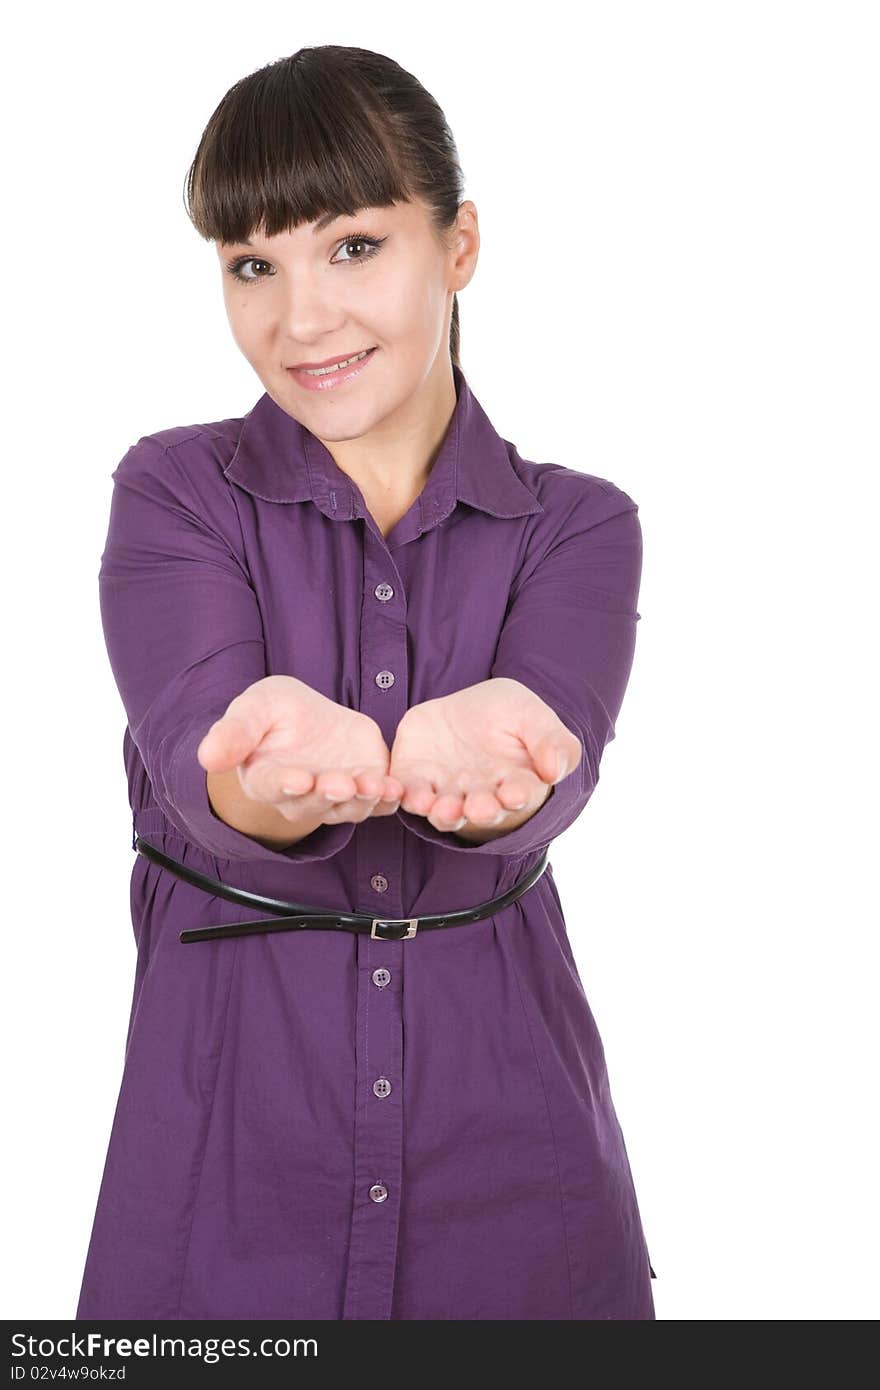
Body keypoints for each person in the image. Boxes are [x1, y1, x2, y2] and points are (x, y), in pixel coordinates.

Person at [76, 43, 656, 1321]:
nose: (299, 321)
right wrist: (267, 777)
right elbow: (202, 768)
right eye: (251, 266)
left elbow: (545, 777)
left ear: (457, 247)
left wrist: (505, 769)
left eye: (351, 246)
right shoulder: (175, 493)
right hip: (219, 1184)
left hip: (520, 1189)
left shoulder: (576, 525)